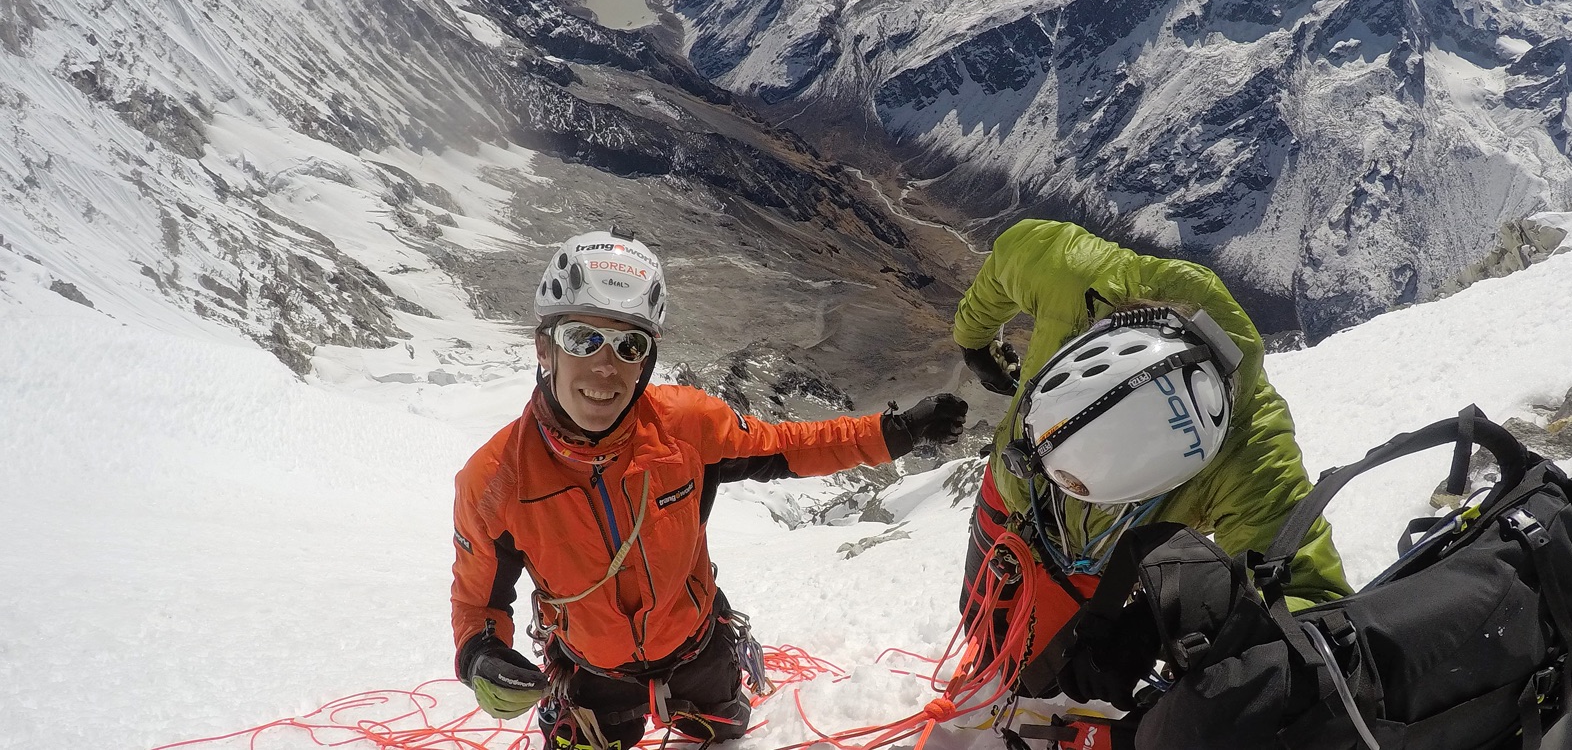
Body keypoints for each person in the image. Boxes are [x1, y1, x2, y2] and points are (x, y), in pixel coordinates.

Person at [452, 230, 967, 750]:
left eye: (630, 344)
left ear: (647, 359)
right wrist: (480, 654)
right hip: (591, 672)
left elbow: (792, 446)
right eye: (582, 338)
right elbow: (478, 599)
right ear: (545, 347)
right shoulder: (495, 481)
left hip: (697, 651)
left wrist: (896, 433)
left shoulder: (687, 427)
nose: (606, 367)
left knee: (727, 734)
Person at [953, 219, 1351, 705]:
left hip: (1092, 560)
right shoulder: (1076, 276)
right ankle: (988, 654)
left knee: (1035, 671)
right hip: (1015, 504)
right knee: (979, 619)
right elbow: (1007, 257)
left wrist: (1159, 622)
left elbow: (1307, 600)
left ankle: (1008, 677)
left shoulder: (1251, 454)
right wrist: (973, 338)